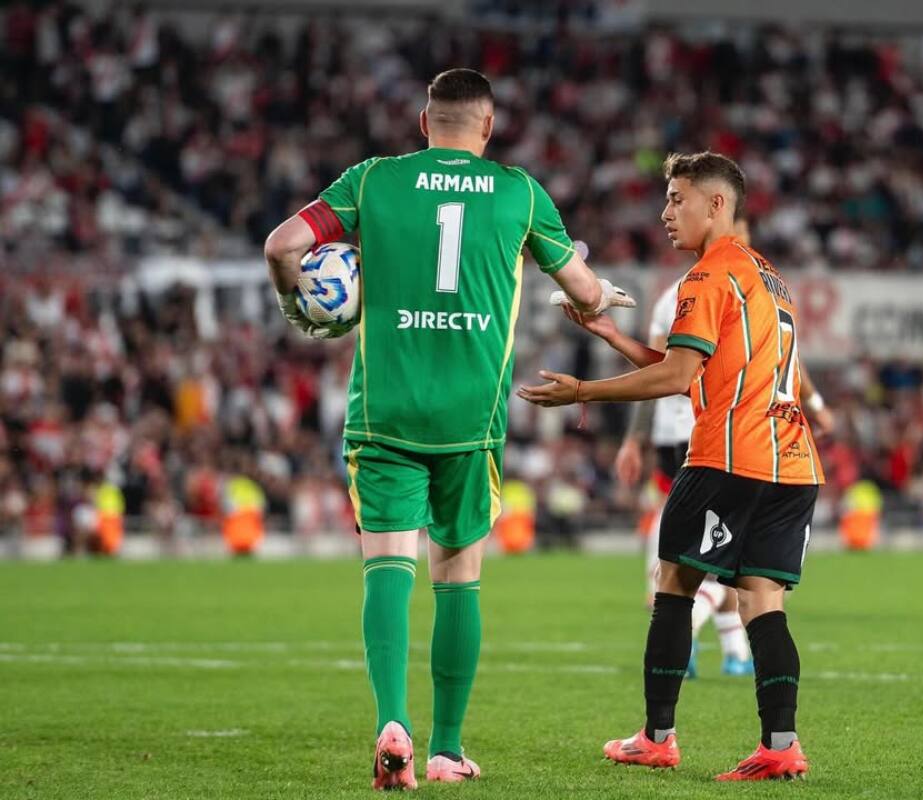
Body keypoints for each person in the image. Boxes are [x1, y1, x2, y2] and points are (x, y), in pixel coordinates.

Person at [263, 68, 631, 791]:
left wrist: (295, 307)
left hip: (387, 410)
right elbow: (586, 294)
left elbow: (282, 246)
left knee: (387, 566)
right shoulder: (521, 193)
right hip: (471, 417)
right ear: (487, 130)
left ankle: (391, 723)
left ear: (423, 123)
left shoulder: (372, 181)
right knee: (458, 576)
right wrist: (590, 288)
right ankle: (447, 748)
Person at [520, 151, 823, 781]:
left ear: (716, 204)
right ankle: (781, 745)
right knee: (762, 601)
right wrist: (608, 334)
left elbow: (679, 377)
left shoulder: (707, 279)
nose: (665, 214)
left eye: (676, 199)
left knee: (674, 583)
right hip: (793, 463)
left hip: (728, 457)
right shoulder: (770, 279)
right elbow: (697, 369)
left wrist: (582, 392)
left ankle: (657, 736)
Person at [616, 214, 833, 679]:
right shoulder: (716, 287)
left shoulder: (719, 284)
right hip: (709, 437)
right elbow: (664, 373)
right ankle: (717, 648)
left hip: (725, 436)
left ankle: (720, 649)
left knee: (710, 561)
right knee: (716, 564)